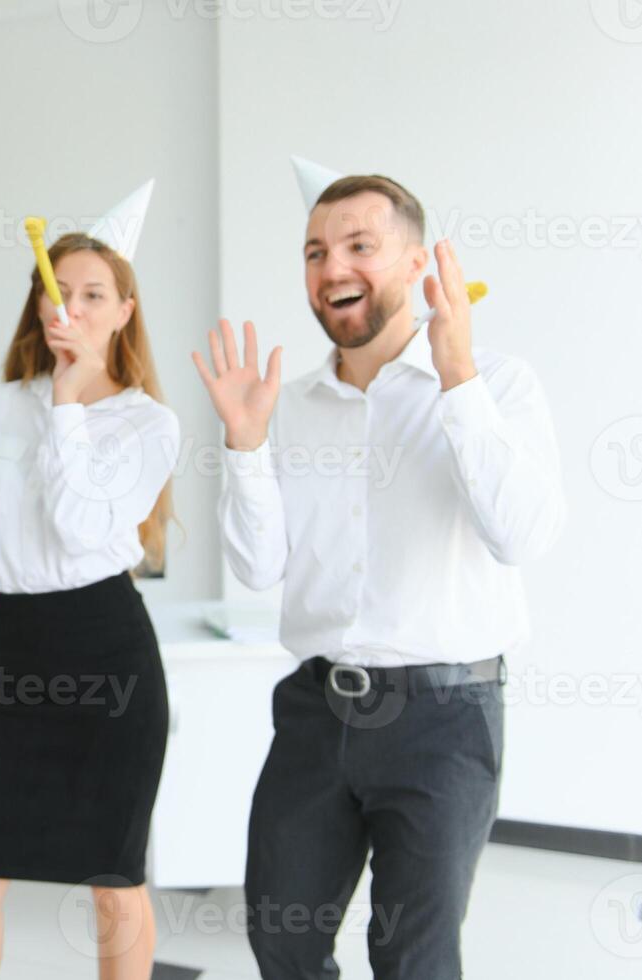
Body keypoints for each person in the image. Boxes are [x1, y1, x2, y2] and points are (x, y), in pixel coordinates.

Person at [193, 161, 565, 979]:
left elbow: (521, 536)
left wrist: (456, 377)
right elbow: (257, 569)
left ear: (414, 263)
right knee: (281, 939)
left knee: (412, 957)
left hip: (443, 717)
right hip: (316, 712)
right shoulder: (283, 405)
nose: (332, 269)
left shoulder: (494, 382)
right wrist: (245, 446)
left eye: (359, 245)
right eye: (314, 251)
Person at [0, 181, 179, 980]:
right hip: (17, 654)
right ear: (38, 302)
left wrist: (66, 400)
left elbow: (81, 530)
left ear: (125, 310)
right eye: (61, 290)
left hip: (109, 657)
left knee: (112, 884)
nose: (77, 306)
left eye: (97, 293)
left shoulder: (146, 423)